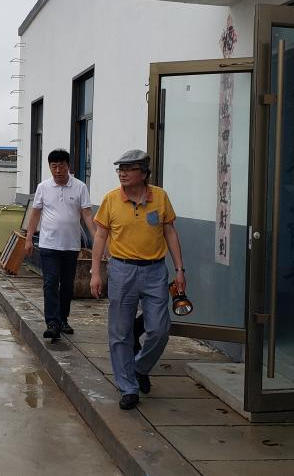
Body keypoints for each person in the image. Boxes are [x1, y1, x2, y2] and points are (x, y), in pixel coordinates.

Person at [90, 150, 186, 410]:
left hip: (155, 271)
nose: (122, 173)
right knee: (120, 333)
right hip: (122, 271)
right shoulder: (111, 199)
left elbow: (170, 232)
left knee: (159, 329)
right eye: (120, 169)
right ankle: (128, 387)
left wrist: (179, 270)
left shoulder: (160, 197)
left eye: (128, 169)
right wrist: (96, 272)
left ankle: (139, 367)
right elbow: (100, 236)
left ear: (143, 173)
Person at [24, 149, 96, 341]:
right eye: (54, 166)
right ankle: (52, 323)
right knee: (50, 282)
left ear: (68, 166)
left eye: (61, 166)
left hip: (71, 246)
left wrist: (97, 239)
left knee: (67, 285)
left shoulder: (80, 187)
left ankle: (63, 319)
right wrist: (29, 238)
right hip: (49, 245)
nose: (57, 170)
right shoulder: (43, 187)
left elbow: (87, 214)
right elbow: (35, 214)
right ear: (50, 167)